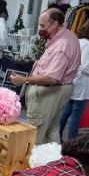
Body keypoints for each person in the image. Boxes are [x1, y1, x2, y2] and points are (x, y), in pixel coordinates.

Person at [10, 8, 81, 145]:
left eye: (42, 26)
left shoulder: (62, 45)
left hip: (50, 91)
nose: (40, 29)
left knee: (35, 133)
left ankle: (33, 164)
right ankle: (50, 163)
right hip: (59, 90)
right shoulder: (67, 35)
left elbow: (52, 77)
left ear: (54, 24)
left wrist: (24, 79)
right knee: (52, 130)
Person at [59, 15, 89, 139]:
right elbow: (85, 67)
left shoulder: (81, 42)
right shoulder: (87, 45)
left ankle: (59, 139)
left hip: (75, 83)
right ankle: (72, 144)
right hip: (81, 86)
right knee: (75, 117)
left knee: (66, 115)